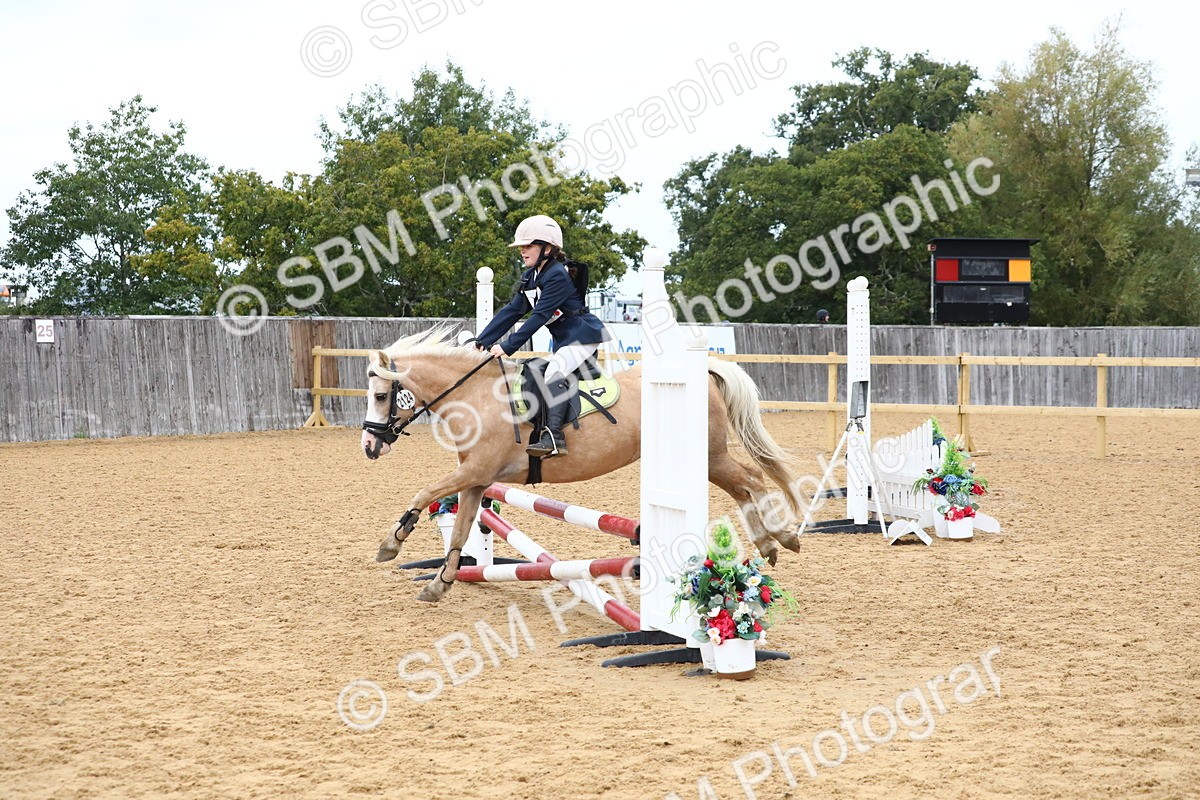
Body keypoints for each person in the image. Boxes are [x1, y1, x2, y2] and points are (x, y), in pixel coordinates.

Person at [475, 214, 610, 458]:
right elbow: (513, 311)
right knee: (534, 370)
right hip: (565, 340)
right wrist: (481, 341)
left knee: (554, 370)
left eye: (528, 246)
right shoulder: (530, 277)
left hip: (582, 336)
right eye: (521, 247)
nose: (522, 251)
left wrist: (507, 346)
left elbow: (539, 316)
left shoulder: (557, 274)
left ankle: (555, 437)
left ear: (547, 248)